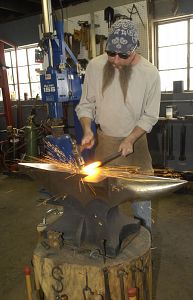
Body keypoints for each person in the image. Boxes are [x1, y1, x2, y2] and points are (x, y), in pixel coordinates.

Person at [75, 18, 161, 229]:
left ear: (134, 51)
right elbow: (85, 105)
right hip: (105, 146)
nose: (116, 60)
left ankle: (143, 246)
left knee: (140, 207)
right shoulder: (95, 67)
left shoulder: (150, 74)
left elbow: (150, 116)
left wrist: (130, 139)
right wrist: (87, 130)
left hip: (136, 146)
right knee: (106, 204)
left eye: (123, 55)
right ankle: (110, 245)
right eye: (111, 53)